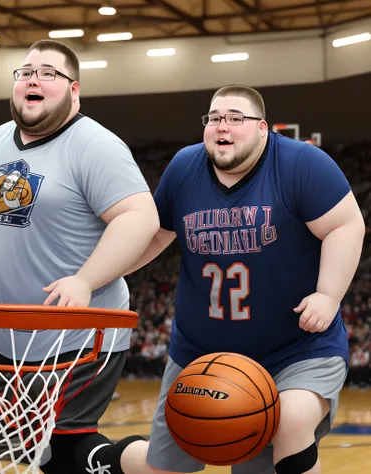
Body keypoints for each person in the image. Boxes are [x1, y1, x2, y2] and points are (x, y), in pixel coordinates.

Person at [0, 39, 160, 474]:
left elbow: (139, 218)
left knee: (65, 450)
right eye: (25, 71)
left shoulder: (95, 144)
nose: (33, 78)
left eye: (48, 72)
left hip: (71, 335)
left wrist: (85, 280)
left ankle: (150, 462)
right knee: (20, 453)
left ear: (74, 90)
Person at [119, 85, 366, 474]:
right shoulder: (184, 167)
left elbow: (347, 225)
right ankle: (105, 456)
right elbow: (153, 236)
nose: (223, 126)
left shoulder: (302, 163)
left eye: (236, 118)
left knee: (289, 420)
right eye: (214, 118)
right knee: (161, 469)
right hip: (200, 355)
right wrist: (98, 273)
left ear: (263, 128)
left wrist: (328, 295)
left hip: (296, 350)